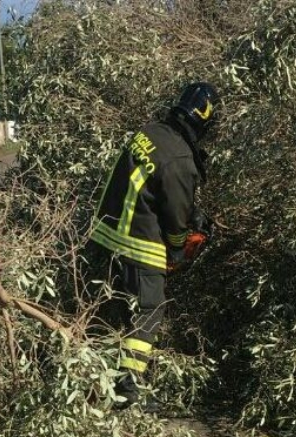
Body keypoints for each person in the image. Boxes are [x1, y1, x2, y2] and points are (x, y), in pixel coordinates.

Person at [89, 82, 219, 409]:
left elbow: (154, 189)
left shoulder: (148, 133)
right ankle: (129, 392)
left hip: (105, 235)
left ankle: (101, 382)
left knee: (118, 311)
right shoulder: (181, 160)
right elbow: (175, 222)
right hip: (138, 244)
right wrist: (177, 253)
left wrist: (192, 212)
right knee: (149, 312)